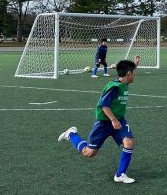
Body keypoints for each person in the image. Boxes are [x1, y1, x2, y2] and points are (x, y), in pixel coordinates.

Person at [57, 56, 142, 184]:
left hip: (119, 120)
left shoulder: (124, 82)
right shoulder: (115, 87)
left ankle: (120, 175)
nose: (134, 75)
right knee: (89, 153)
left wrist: (135, 64)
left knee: (129, 142)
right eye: (133, 72)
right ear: (128, 74)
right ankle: (71, 134)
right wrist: (113, 120)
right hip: (105, 122)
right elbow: (104, 105)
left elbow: (128, 71)